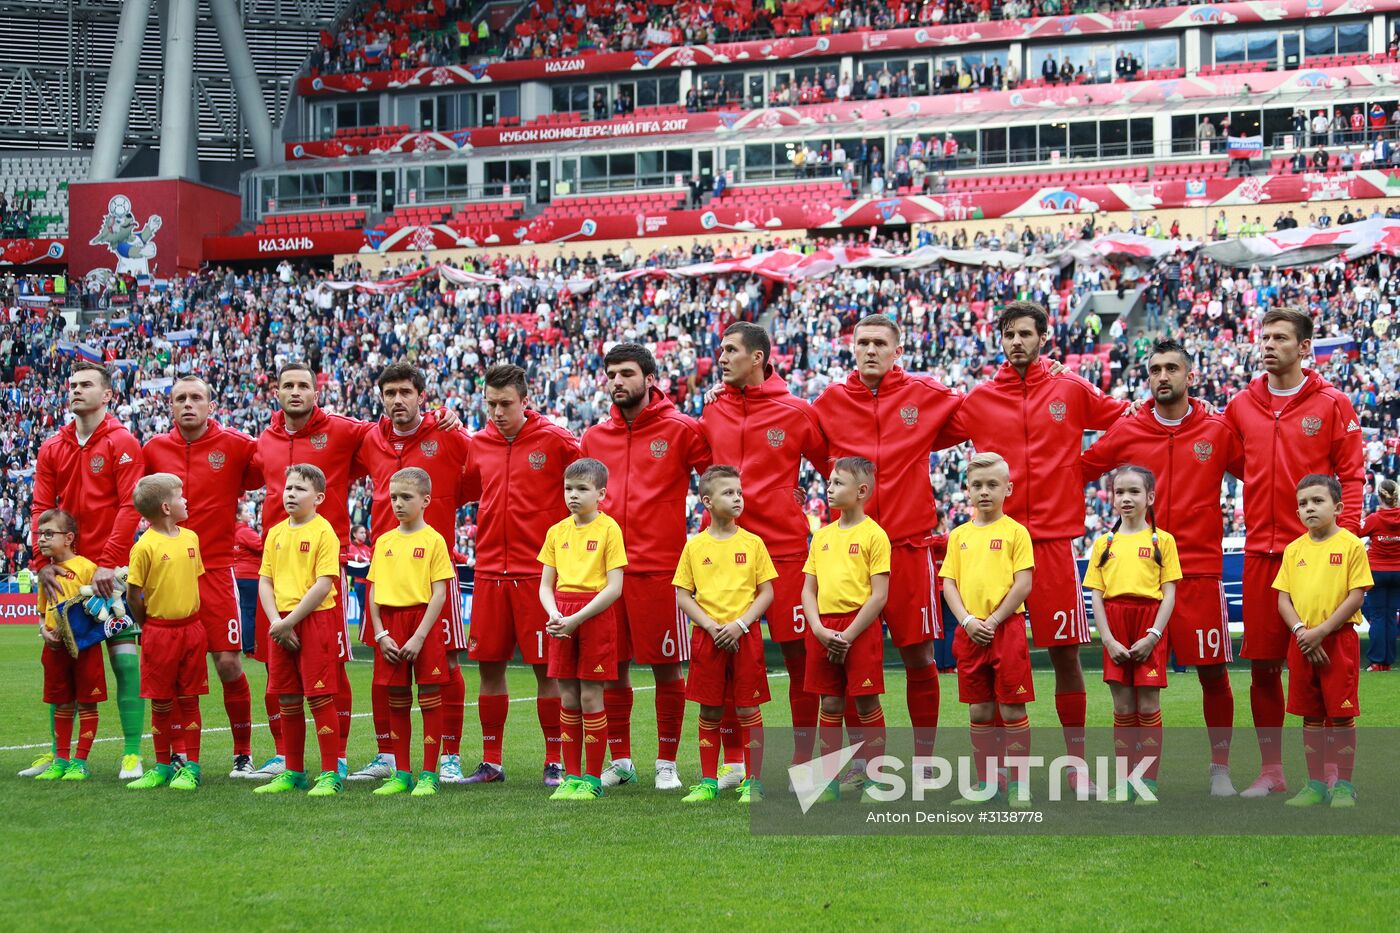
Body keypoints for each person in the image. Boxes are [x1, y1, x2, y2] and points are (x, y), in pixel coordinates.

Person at [944, 301, 1127, 793]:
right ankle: (1000, 773)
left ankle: (1076, 764)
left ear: (1043, 337)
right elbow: (922, 435)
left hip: (1050, 542)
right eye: (1009, 334)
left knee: (1065, 656)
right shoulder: (979, 399)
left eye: (1026, 333)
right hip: (991, 546)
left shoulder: (1069, 387)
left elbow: (1123, 419)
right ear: (1000, 339)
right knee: (991, 656)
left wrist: (1080, 472)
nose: (1017, 341)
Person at [1081, 339, 1244, 796]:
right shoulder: (1128, 429)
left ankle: (1220, 770)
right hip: (1136, 582)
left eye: (1172, 368)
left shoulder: (1218, 429)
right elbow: (1080, 468)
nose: (1162, 376)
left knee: (1214, 672)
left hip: (1197, 571)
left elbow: (1264, 472)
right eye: (1155, 369)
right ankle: (1136, 778)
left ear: (1190, 376)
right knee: (1133, 685)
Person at [1223, 308, 1363, 799]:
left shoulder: (1332, 403)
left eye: (1281, 338)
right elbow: (1236, 464)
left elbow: (1352, 475)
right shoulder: (1240, 405)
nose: (1268, 345)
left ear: (1305, 347)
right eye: (1264, 337)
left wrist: (1343, 543)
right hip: (1262, 550)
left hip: (1318, 555)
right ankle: (1271, 771)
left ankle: (1331, 777)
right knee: (1263, 666)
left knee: (1321, 660)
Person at [812, 315, 958, 774]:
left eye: (880, 343)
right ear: (852, 348)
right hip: (850, 553)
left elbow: (989, 408)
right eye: (863, 343)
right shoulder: (830, 402)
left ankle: (924, 760)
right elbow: (804, 445)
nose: (870, 350)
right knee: (849, 657)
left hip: (909, 546)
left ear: (898, 350)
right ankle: (860, 763)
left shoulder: (926, 394)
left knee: (919, 656)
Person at [699, 323, 828, 778]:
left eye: (730, 350)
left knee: (800, 658)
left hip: (784, 551)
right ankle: (734, 761)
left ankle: (804, 759)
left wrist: (798, 505)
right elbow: (702, 473)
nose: (721, 356)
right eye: (720, 349)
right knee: (725, 653)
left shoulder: (796, 411)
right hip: (723, 554)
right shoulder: (711, 409)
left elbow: (832, 466)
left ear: (757, 358)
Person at [581, 344, 711, 792]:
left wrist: (709, 536)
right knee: (612, 668)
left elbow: (715, 479)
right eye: (611, 374)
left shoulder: (682, 429)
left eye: (627, 373)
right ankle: (620, 760)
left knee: (667, 667)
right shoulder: (595, 437)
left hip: (660, 571)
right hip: (606, 574)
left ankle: (667, 763)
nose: (617, 381)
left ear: (650, 378)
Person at [350, 363, 471, 784]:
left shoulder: (448, 435)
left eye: (405, 392)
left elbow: (475, 477)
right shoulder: (369, 439)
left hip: (434, 569)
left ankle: (449, 755)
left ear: (422, 395)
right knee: (385, 670)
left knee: (448, 663)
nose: (397, 400)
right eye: (389, 393)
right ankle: (388, 754)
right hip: (387, 570)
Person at [250, 363, 372, 781]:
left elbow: (387, 432)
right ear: (277, 391)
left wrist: (436, 419)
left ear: (316, 392)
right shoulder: (264, 440)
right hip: (278, 570)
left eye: (304, 385)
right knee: (279, 679)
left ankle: (333, 759)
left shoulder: (341, 430)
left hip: (321, 579)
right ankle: (289, 760)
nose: (296, 392)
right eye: (288, 385)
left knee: (331, 672)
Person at [29, 362, 145, 780]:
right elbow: (41, 508)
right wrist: (44, 562)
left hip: (109, 571)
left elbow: (131, 506)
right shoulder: (51, 448)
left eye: (86, 385)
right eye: (72, 384)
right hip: (65, 572)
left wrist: (109, 563)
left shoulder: (123, 442)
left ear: (107, 394)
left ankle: (132, 753)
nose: (76, 390)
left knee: (123, 659)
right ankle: (60, 756)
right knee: (59, 659)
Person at [142, 375, 262, 778]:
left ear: (211, 405)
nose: (188, 404)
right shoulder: (153, 450)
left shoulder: (237, 445)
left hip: (215, 569)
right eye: (180, 398)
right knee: (173, 669)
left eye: (197, 397)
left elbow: (273, 472)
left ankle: (242, 754)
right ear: (170, 407)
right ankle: (177, 754)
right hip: (168, 573)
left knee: (228, 663)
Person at [463, 363, 577, 786]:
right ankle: (491, 760)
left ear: (525, 401)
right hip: (490, 571)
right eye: (490, 403)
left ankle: (555, 761)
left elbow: (589, 490)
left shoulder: (557, 440)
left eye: (505, 403)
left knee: (547, 669)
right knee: (489, 667)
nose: (496, 411)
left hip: (538, 575)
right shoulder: (478, 444)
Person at [673, 466, 777, 804]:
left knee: (748, 709)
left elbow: (766, 592)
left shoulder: (753, 543)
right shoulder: (695, 546)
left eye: (739, 492)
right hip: (708, 637)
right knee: (710, 710)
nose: (737, 498)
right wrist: (710, 625)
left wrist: (740, 624)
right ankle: (707, 781)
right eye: (728, 493)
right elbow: (683, 595)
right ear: (707, 501)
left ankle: (754, 781)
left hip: (744, 636)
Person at [939, 453, 1036, 808]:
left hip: (1005, 629)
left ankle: (1018, 785)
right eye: (977, 485)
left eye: (992, 485)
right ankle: (987, 782)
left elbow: (1023, 583)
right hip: (970, 631)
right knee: (979, 711)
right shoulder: (959, 536)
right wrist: (966, 620)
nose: (984, 491)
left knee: (1011, 710)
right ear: (966, 489)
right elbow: (948, 583)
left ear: (1008, 489)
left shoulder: (1016, 532)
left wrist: (993, 621)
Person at [1084, 466, 1182, 805]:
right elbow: (1096, 595)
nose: (1126, 498)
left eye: (1134, 492)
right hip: (1115, 625)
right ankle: (1127, 781)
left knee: (1147, 703)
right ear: (1111, 498)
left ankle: (1148, 783)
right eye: (1119, 492)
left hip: (1148, 625)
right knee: (1123, 706)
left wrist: (1154, 635)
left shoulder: (1163, 541)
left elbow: (1168, 594)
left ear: (1150, 497)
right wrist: (1107, 639)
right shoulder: (1102, 544)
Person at [1273, 475, 1371, 809]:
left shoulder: (1351, 545)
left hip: (1337, 641)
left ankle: (1344, 785)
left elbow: (1356, 596)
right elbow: (1283, 600)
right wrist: (1302, 631)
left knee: (1341, 715)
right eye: (1303, 503)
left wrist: (1322, 632)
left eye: (1317, 501)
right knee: (1310, 716)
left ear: (1338, 507)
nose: (1309, 508)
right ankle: (1315, 784)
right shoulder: (1293, 549)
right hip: (1302, 642)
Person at [800, 456, 891, 805]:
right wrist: (819, 628)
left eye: (838, 483)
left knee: (866, 702)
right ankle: (830, 782)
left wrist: (849, 634)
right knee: (831, 702)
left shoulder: (874, 535)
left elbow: (879, 595)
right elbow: (808, 589)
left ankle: (877, 780)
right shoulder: (821, 536)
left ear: (861, 491)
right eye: (830, 481)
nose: (829, 488)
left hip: (859, 628)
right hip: (824, 626)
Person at [538, 458, 627, 801]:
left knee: (591, 696)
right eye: (568, 489)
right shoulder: (557, 531)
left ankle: (591, 779)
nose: (573, 496)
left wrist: (576, 619)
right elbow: (546, 584)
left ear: (601, 493)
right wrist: (555, 614)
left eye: (582, 489)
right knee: (568, 696)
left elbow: (614, 587)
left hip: (594, 616)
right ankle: (571, 777)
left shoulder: (609, 530)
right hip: (562, 615)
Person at [254, 464, 345, 797]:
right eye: (288, 487)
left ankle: (330, 774)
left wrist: (288, 622)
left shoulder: (324, 533)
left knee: (319, 697)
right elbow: (265, 580)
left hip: (314, 620)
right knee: (288, 698)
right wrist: (277, 621)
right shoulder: (276, 533)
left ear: (318, 497)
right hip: (280, 622)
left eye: (299, 489)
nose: (290, 493)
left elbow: (324, 584)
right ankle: (293, 771)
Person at [365, 467, 456, 798]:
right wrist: (379, 633)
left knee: (430, 698)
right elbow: (373, 593)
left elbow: (440, 593)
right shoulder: (384, 541)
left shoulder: (434, 540)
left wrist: (419, 636)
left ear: (425, 500)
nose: (398, 504)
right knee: (397, 700)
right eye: (393, 497)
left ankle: (429, 774)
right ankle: (402, 772)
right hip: (390, 625)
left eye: (406, 497)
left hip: (423, 625)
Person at [124, 474, 209, 791]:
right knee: (160, 701)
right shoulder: (144, 546)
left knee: (190, 699)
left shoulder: (191, 538)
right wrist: (149, 626)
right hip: (159, 631)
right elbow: (134, 595)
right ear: (165, 507)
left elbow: (193, 581)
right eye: (180, 495)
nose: (185, 500)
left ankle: (192, 767)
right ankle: (161, 765)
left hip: (191, 629)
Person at [31, 509, 103, 782]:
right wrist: (43, 630)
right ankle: (60, 760)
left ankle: (80, 762)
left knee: (86, 703)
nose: (42, 540)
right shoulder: (45, 573)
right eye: (39, 534)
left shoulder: (87, 568)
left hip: (84, 648)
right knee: (61, 703)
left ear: (69, 537)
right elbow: (41, 611)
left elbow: (99, 609)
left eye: (50, 534)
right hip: (54, 647)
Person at [1361, 479, 1400, 671]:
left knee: (1378, 617)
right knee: (1391, 616)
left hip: (1377, 571)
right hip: (1398, 572)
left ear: (1379, 495)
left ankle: (1377, 661)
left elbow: (1355, 532)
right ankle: (1388, 662)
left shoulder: (1374, 519)